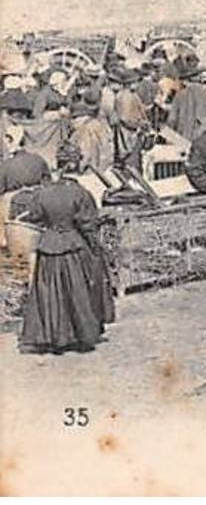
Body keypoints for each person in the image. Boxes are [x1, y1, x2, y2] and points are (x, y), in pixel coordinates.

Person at [16, 144, 115, 355]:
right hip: (73, 246)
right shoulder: (80, 193)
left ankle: (51, 336)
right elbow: (88, 224)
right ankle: (80, 335)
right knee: (77, 291)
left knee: (48, 293)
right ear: (74, 164)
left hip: (48, 246)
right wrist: (96, 248)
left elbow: (34, 216)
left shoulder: (42, 193)